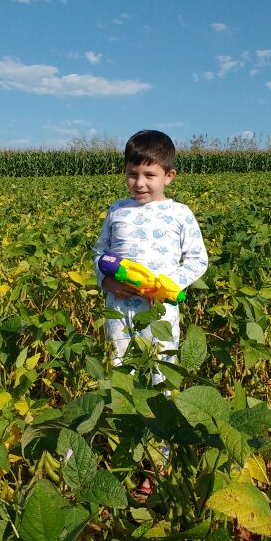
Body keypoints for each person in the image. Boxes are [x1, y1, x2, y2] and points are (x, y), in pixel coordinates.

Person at [93, 129, 208, 379]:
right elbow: (101, 252)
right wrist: (107, 281)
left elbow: (198, 259)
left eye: (149, 175)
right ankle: (123, 413)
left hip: (160, 307)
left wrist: (167, 285)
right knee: (120, 364)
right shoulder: (118, 210)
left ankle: (160, 412)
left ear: (169, 176)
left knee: (161, 364)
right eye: (132, 174)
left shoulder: (179, 213)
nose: (139, 183)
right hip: (119, 305)